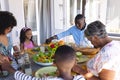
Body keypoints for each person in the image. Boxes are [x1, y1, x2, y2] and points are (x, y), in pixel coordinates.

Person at [0, 45, 85, 80]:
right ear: (75, 63)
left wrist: (9, 68)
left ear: (54, 63)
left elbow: (26, 78)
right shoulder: (81, 78)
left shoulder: (48, 79)